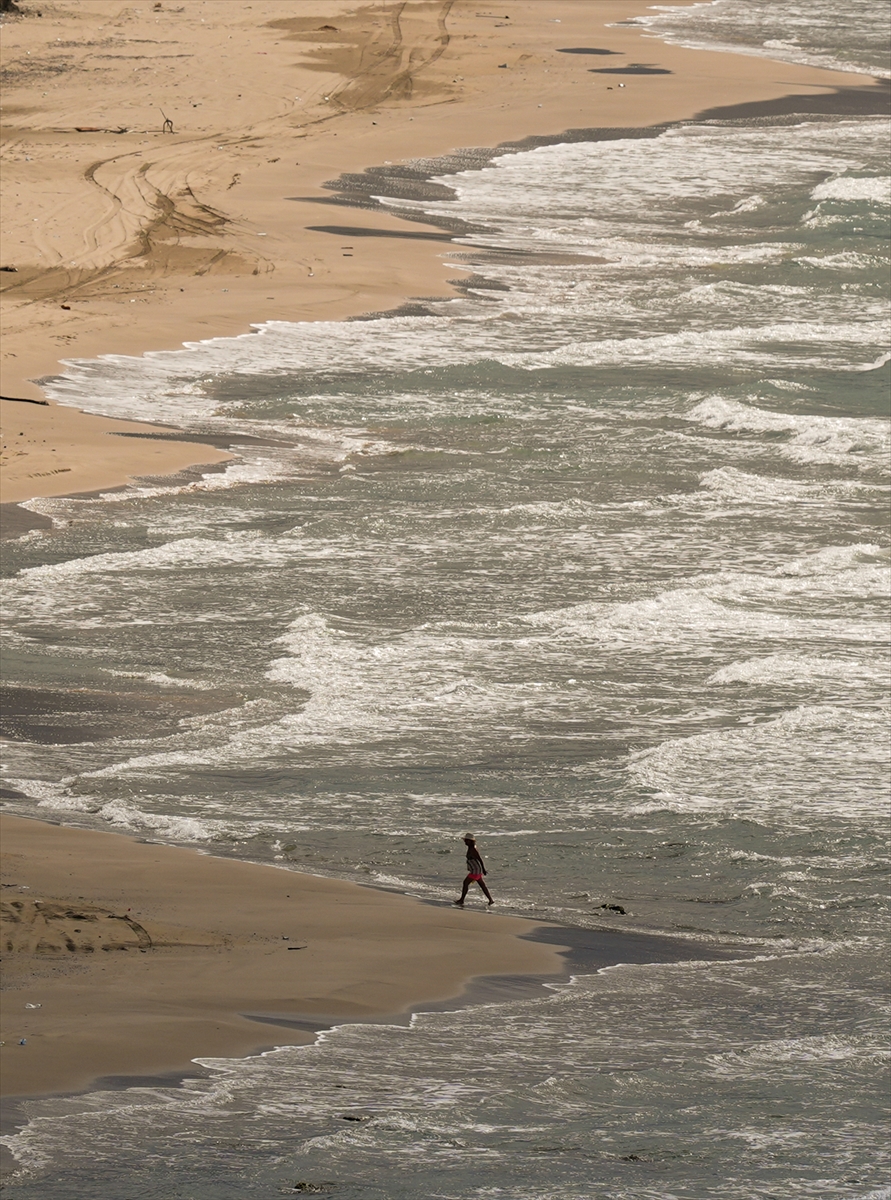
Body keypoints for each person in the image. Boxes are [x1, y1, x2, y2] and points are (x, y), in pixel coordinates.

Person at [454, 833, 494, 906]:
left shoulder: (473, 849)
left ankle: (462, 900)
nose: (465, 842)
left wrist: (483, 869)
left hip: (475, 870)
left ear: (470, 841)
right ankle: (490, 900)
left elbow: (480, 859)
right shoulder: (471, 848)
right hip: (476, 870)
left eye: (466, 840)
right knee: (482, 885)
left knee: (465, 883)